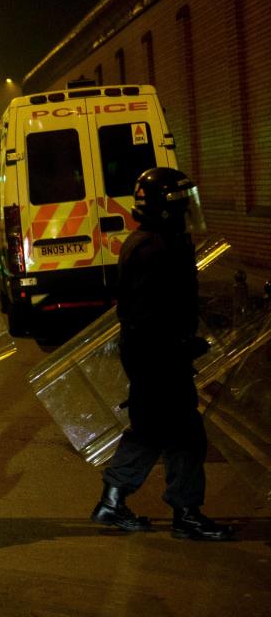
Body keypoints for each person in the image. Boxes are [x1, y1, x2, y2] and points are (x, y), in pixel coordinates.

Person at [90, 167, 234, 541]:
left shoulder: (156, 242)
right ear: (166, 208)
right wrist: (180, 345)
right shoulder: (155, 249)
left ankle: (113, 499)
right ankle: (185, 513)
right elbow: (147, 315)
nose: (188, 209)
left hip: (153, 356)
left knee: (152, 431)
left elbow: (168, 304)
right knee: (184, 435)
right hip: (157, 359)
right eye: (183, 203)